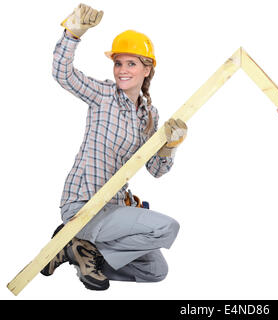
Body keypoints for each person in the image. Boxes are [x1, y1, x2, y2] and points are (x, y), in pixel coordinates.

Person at [40, 4, 186, 291]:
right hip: (84, 206)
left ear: (147, 68)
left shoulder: (149, 115)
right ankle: (79, 246)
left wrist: (171, 147)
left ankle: (79, 252)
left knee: (156, 270)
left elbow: (156, 170)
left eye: (131, 63)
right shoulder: (104, 94)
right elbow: (63, 74)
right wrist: (73, 33)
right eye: (118, 63)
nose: (122, 70)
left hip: (115, 208)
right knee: (168, 227)